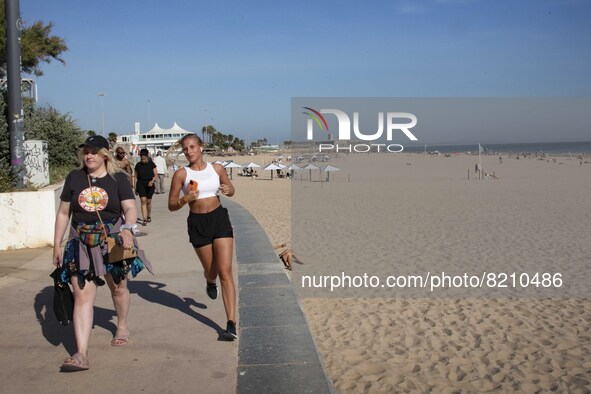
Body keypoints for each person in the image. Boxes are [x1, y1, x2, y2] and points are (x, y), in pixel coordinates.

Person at [53, 135, 153, 371]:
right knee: (82, 296)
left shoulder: (117, 178)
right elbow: (63, 213)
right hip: (80, 241)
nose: (89, 155)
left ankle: (122, 324)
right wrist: (57, 244)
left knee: (118, 287)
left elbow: (129, 207)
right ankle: (81, 353)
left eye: (94, 152)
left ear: (105, 155)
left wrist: (128, 230)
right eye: (86, 151)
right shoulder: (75, 177)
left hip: (114, 238)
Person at [168, 134, 238, 341]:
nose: (188, 151)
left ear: (201, 147)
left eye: (192, 147)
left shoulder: (216, 169)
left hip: (219, 220)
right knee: (213, 270)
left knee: (226, 271)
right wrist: (184, 199)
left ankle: (231, 324)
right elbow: (171, 205)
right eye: (185, 149)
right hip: (198, 224)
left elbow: (231, 190)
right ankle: (209, 280)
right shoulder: (181, 174)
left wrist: (228, 189)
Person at [135, 149, 158, 225]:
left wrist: (152, 181)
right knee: (143, 200)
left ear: (147, 156)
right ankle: (144, 219)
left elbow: (156, 175)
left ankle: (149, 216)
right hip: (141, 184)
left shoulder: (152, 164)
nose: (143, 158)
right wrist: (136, 188)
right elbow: (136, 177)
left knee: (148, 201)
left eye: (144, 156)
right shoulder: (138, 165)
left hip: (150, 183)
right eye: (142, 156)